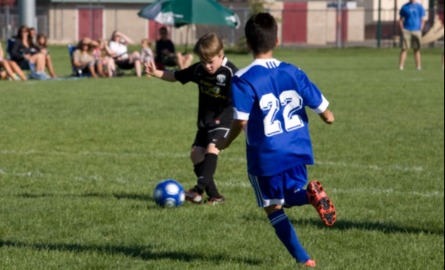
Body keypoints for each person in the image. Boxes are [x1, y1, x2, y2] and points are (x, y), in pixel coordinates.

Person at [215, 13, 337, 268]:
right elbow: (327, 115)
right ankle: (311, 196)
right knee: (291, 194)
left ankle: (304, 259)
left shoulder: (243, 79)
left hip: (266, 155)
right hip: (295, 149)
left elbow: (240, 121)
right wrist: (327, 117)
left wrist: (224, 142)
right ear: (277, 40)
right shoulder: (294, 71)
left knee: (273, 207)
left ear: (247, 44)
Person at [146, 33, 238, 205]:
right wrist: (156, 72)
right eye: (203, 62)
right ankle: (215, 196)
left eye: (211, 62)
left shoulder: (231, 72)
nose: (207, 66)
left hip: (224, 120)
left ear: (221, 54)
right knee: (196, 154)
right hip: (205, 121)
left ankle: (198, 190)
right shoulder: (198, 70)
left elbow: (246, 93)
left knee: (212, 149)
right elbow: (176, 75)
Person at [399, 0, 427, 71]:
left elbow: (423, 18)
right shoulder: (405, 7)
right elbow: (401, 19)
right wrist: (402, 29)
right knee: (404, 48)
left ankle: (418, 66)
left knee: (417, 49)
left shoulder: (419, 6)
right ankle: (401, 66)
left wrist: (421, 28)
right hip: (407, 30)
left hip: (416, 30)